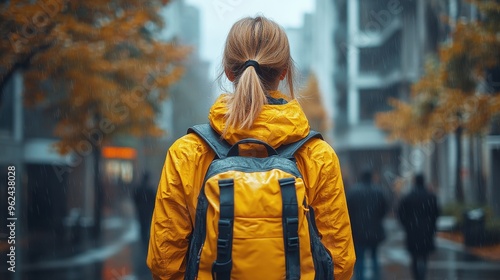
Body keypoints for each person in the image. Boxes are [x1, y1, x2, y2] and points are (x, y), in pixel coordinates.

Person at [147, 16, 355, 280]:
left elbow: (164, 262)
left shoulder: (187, 153)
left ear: (229, 70)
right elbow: (340, 261)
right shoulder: (318, 156)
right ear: (283, 72)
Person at [346, 169, 388, 280]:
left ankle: (360, 278)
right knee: (374, 257)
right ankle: (376, 277)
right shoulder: (379, 191)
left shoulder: (353, 192)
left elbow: (347, 210)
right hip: (375, 230)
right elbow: (384, 209)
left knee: (359, 258)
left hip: (358, 231)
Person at [397, 174, 440, 280]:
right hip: (427, 230)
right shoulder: (431, 196)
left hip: (412, 231)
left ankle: (417, 276)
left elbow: (401, 214)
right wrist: (432, 226)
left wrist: (406, 225)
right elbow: (436, 213)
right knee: (424, 256)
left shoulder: (408, 197)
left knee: (414, 257)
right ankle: (422, 276)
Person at [132, 172, 156, 248]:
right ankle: (145, 238)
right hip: (147, 210)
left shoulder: (139, 188)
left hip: (141, 209)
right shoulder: (150, 189)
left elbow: (135, 198)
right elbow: (154, 199)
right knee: (146, 224)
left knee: (142, 224)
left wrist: (138, 205)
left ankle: (143, 237)